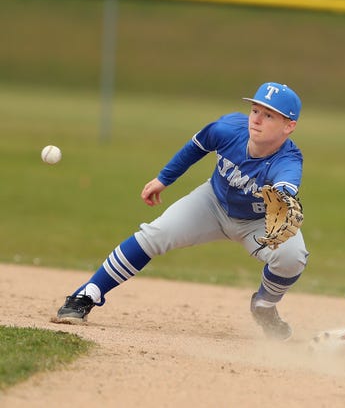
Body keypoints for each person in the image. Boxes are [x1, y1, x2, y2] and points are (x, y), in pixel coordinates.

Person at [52, 82, 308, 341]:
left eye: (269, 115)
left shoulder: (288, 160)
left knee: (293, 255)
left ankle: (264, 306)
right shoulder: (228, 129)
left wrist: (284, 198)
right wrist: (164, 178)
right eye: (255, 110)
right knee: (155, 234)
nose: (257, 119)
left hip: (257, 222)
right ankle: (87, 294)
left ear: (289, 126)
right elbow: (196, 147)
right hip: (211, 204)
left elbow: (285, 184)